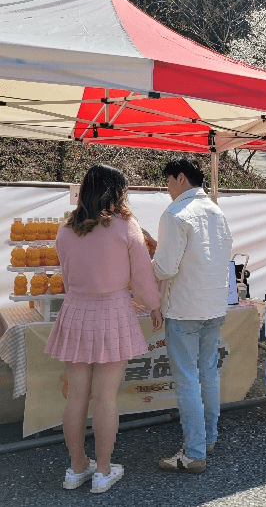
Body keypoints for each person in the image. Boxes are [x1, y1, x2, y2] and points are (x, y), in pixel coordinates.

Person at [44, 164, 162, 494]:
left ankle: (76, 467)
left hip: (76, 310)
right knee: (106, 396)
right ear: (117, 192)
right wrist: (154, 305)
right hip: (113, 310)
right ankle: (103, 471)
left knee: (77, 396)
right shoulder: (125, 225)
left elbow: (66, 277)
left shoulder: (67, 228)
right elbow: (142, 273)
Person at [153, 157, 233, 473]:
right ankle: (207, 440)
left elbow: (164, 267)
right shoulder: (217, 211)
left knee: (187, 379)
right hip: (214, 305)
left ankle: (194, 453)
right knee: (208, 373)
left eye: (169, 182)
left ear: (181, 179)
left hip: (185, 308)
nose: (168, 189)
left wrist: (142, 268)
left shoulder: (175, 214)